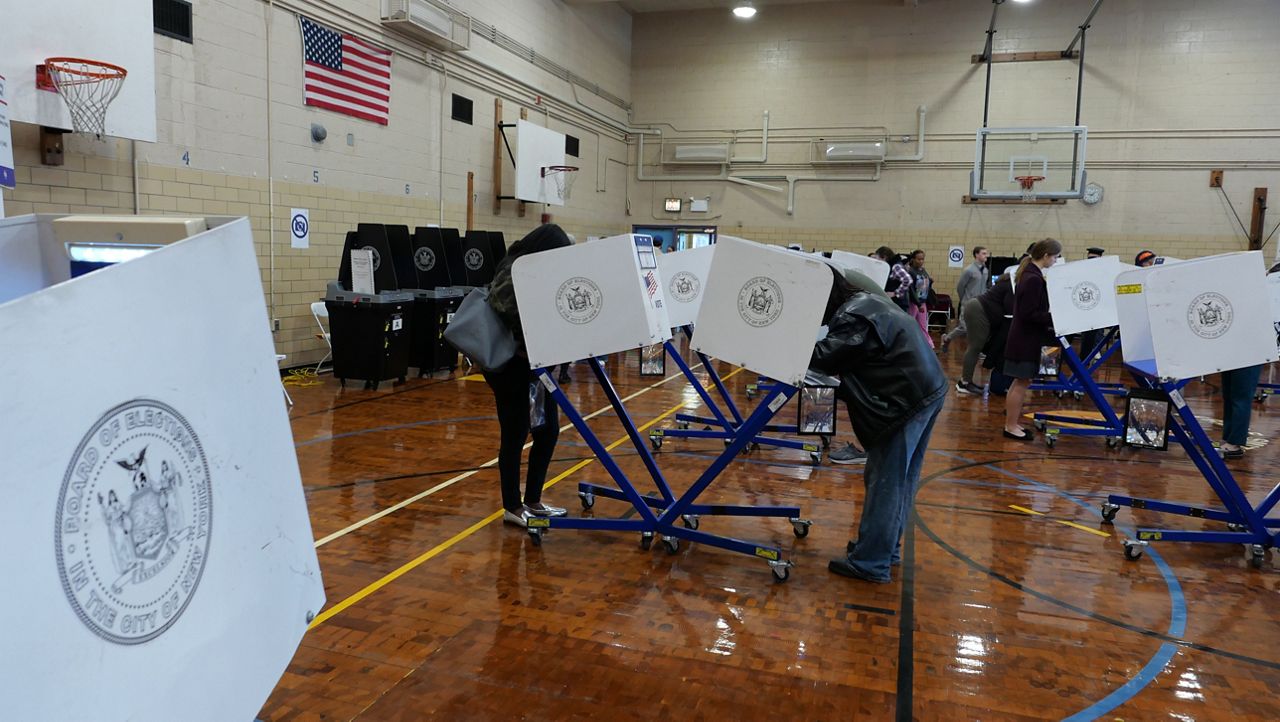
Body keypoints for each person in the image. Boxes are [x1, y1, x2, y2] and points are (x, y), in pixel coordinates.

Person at [810, 266, 947, 583]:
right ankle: (884, 548)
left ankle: (872, 562)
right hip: (926, 389)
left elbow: (825, 356)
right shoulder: (865, 303)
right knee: (897, 478)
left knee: (886, 481)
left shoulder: (854, 317)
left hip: (907, 399)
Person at [485, 224, 574, 527]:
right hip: (509, 366)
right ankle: (512, 506)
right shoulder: (513, 269)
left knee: (548, 430)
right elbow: (508, 312)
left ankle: (534, 500)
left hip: (536, 364)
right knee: (515, 433)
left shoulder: (536, 271)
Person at [822, 263, 889, 465]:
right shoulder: (845, 283)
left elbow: (830, 358)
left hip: (902, 375)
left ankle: (871, 450)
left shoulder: (850, 309)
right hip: (906, 367)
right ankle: (872, 449)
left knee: (858, 391)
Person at [1002, 238, 1063, 440]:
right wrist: (1055, 317)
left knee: (1019, 383)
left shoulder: (1030, 274)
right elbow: (1030, 314)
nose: (1055, 261)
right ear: (1045, 255)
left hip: (1024, 337)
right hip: (1025, 339)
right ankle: (1010, 426)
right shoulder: (1033, 278)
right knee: (1021, 383)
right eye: (1054, 257)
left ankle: (1011, 423)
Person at [954, 270, 1014, 395]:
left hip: (979, 309)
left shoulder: (1010, 281)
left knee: (975, 347)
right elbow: (1009, 310)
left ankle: (967, 381)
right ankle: (964, 383)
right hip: (979, 311)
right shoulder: (1011, 284)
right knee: (975, 348)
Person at [940, 246, 990, 352]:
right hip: (968, 302)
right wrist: (965, 299)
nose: (987, 255)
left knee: (978, 327)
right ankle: (947, 338)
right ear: (976, 255)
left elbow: (985, 286)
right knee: (964, 327)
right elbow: (960, 287)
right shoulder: (969, 270)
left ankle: (976, 350)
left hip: (980, 303)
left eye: (987, 253)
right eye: (984, 253)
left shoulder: (985, 270)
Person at [907, 249, 935, 349]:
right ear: (913, 259)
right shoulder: (910, 271)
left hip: (922, 301)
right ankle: (907, 344)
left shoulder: (923, 270)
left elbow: (925, 287)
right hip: (913, 302)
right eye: (918, 259)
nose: (921, 261)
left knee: (923, 325)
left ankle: (929, 345)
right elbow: (911, 290)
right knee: (910, 324)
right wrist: (918, 304)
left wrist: (930, 282)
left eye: (922, 259)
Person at [876, 246, 914, 313]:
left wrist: (896, 293)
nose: (877, 261)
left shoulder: (895, 266)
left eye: (878, 259)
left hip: (899, 304)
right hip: (896, 304)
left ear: (884, 257)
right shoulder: (892, 265)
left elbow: (908, 279)